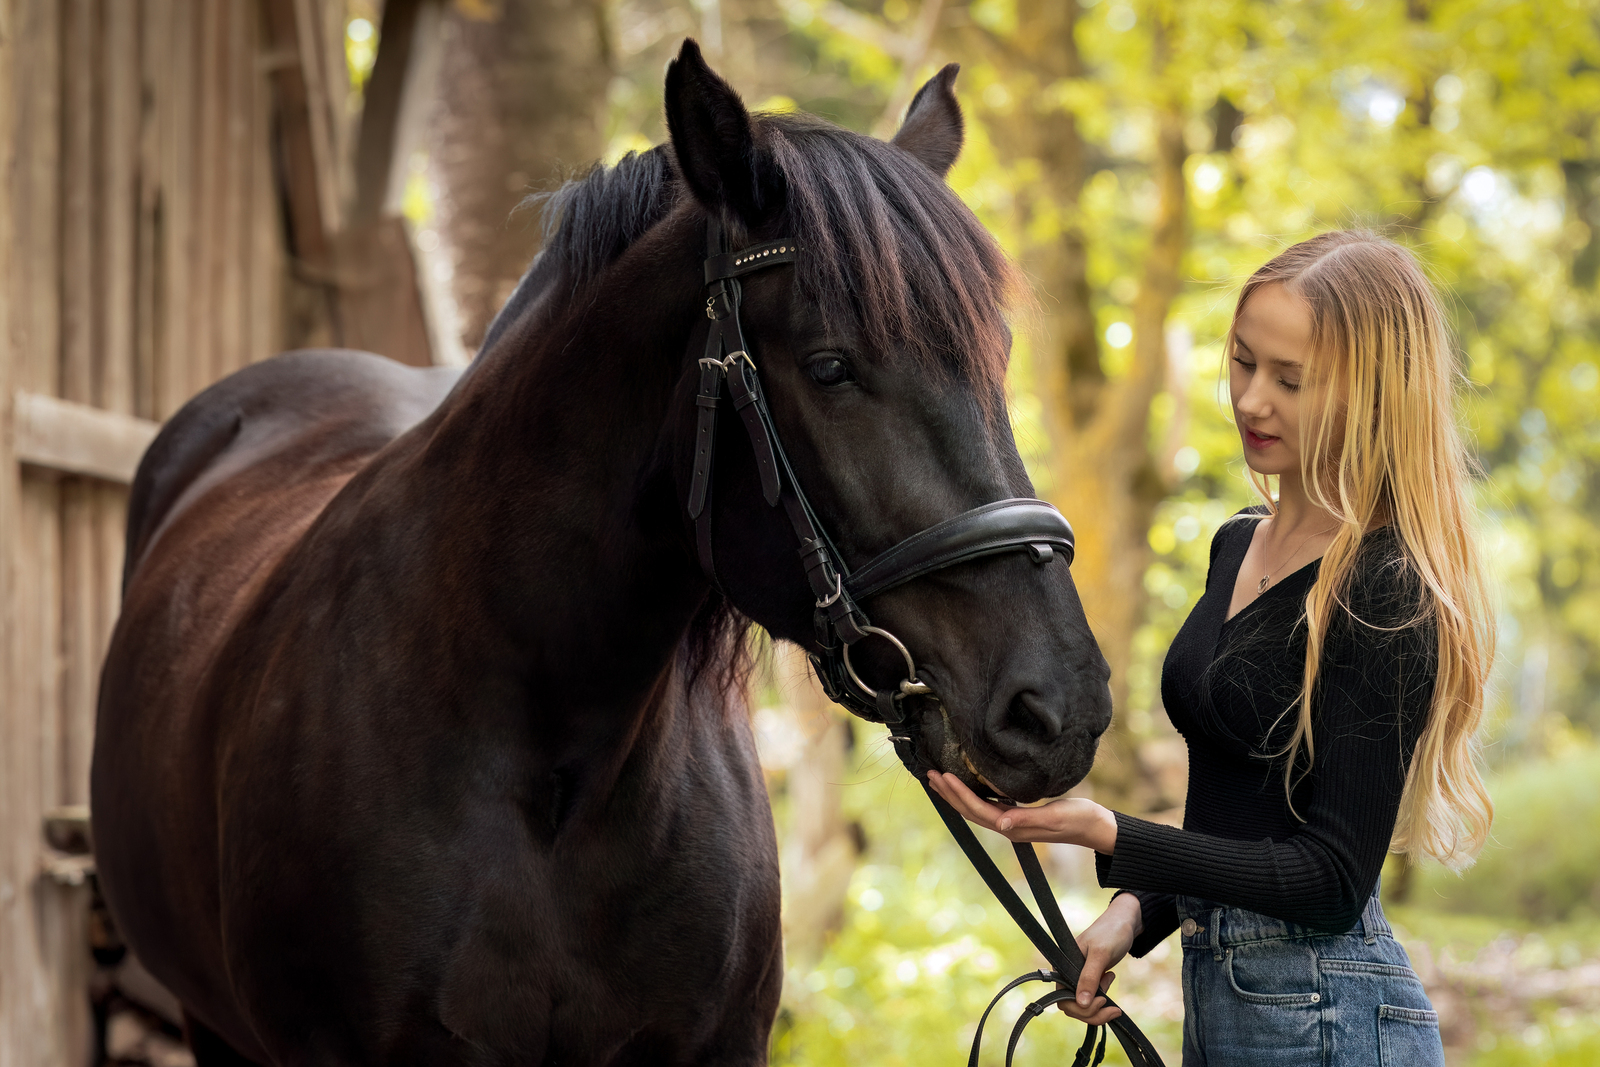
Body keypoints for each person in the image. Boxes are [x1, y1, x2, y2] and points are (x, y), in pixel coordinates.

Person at [928, 229, 1494, 1065]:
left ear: (1374, 396)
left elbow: (1333, 879)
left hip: (1330, 1015)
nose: (1252, 400)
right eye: (1243, 362)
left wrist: (1111, 833)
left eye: (1291, 380)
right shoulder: (1237, 544)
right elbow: (1239, 811)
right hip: (1233, 999)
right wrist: (1139, 909)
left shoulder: (1387, 587)